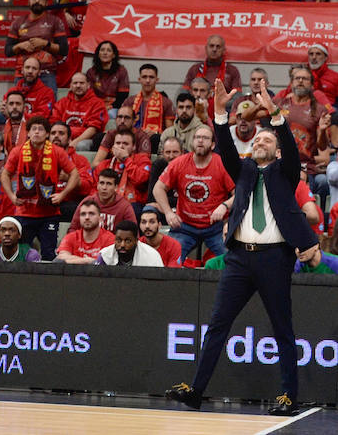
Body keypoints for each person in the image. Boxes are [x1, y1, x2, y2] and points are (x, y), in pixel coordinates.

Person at [167, 80, 322, 417]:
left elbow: (293, 152)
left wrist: (276, 114)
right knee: (218, 323)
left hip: (274, 258)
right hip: (239, 257)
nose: (260, 142)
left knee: (282, 328)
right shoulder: (245, 170)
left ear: (277, 150)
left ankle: (288, 396)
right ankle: (196, 390)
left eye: (267, 139)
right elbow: (224, 147)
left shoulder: (287, 172)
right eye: (257, 140)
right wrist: (219, 113)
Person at [153, 123, 233, 264]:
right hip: (184, 226)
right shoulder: (179, 163)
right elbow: (158, 188)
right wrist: (168, 213)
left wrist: (225, 206)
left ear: (213, 145)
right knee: (168, 261)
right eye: (197, 137)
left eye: (205, 138)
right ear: (192, 142)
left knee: (233, 261)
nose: (200, 140)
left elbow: (239, 192)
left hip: (216, 227)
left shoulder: (222, 163)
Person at [1, 116, 80, 258]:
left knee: (49, 253)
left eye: (41, 129)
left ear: (47, 134)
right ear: (28, 133)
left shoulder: (57, 151)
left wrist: (62, 194)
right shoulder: (17, 151)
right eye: (34, 129)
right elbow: (5, 174)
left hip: (49, 214)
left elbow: (74, 174)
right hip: (24, 213)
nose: (37, 132)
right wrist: (12, 196)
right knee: (22, 253)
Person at [96, 221, 164, 267]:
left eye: (128, 241)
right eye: (119, 240)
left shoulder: (152, 256)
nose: (122, 245)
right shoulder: (105, 256)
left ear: (136, 241)